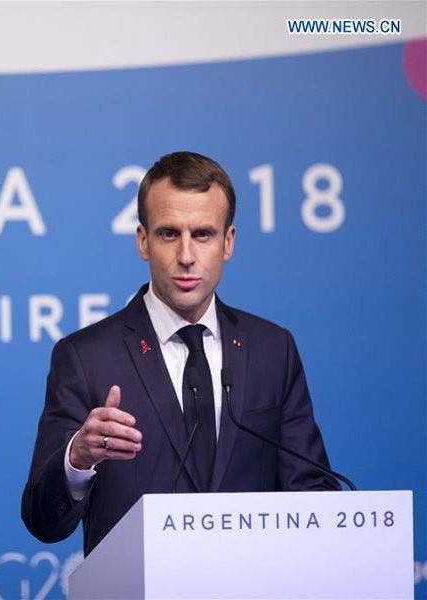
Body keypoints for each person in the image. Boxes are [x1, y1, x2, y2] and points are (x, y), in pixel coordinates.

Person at [21, 151, 339, 557]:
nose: (186, 256)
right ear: (143, 241)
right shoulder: (85, 358)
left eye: (203, 234)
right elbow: (41, 520)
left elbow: (310, 493)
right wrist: (77, 459)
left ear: (228, 242)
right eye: (169, 234)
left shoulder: (272, 350)